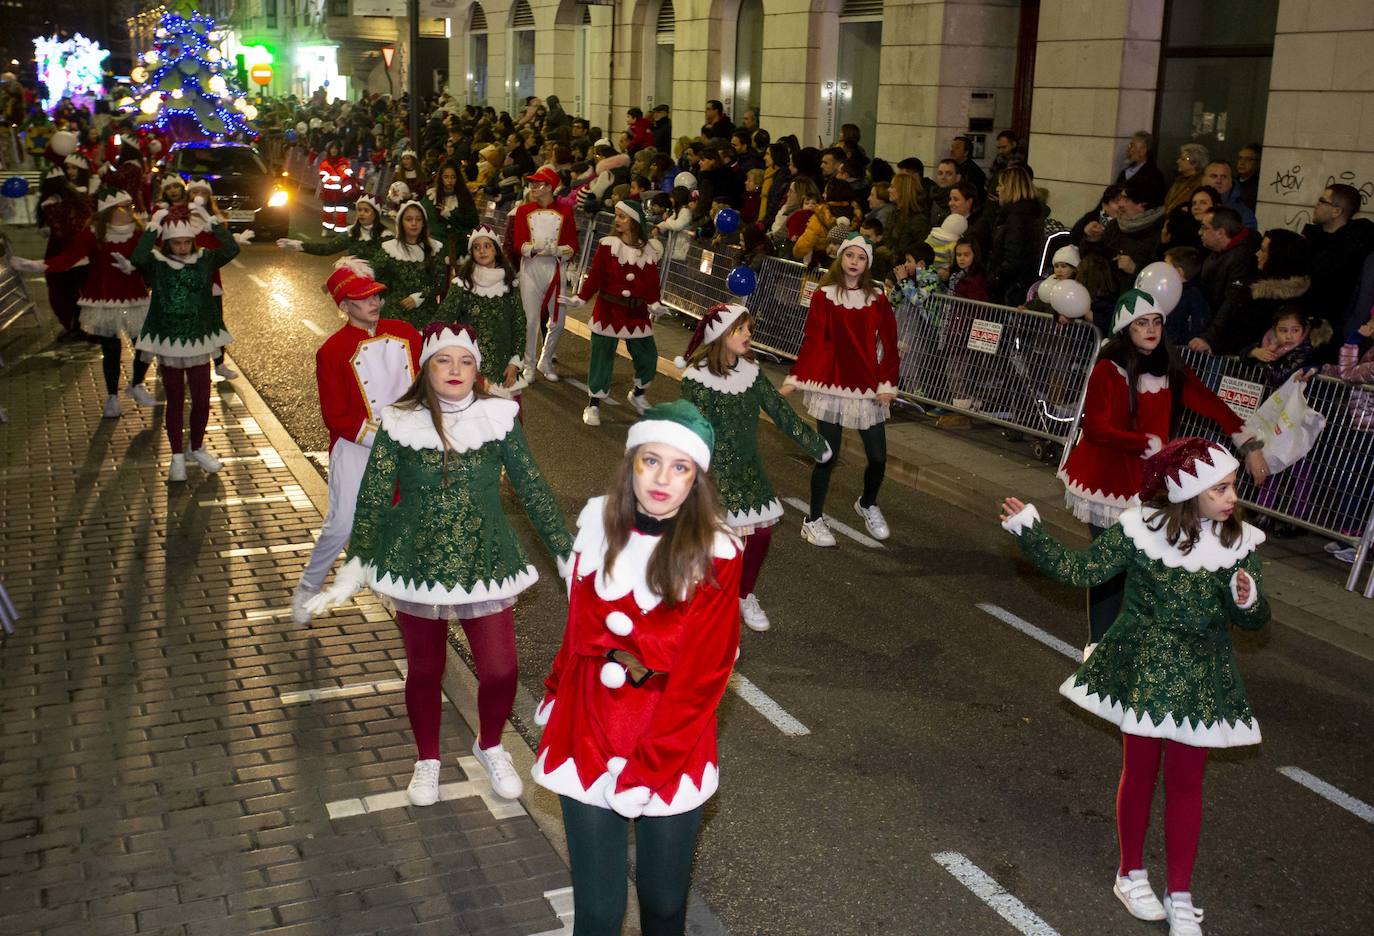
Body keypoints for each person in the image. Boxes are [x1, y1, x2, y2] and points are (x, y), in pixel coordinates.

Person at [1000, 436, 1269, 936]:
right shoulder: (1139, 529)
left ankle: (1180, 893)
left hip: (1201, 679)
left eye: (1233, 486)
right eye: (1221, 488)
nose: (1233, 498)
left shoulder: (1239, 543)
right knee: (1140, 773)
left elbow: (1254, 621)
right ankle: (1130, 874)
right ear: (1188, 492)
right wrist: (1030, 532)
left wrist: (1248, 600)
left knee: (1187, 784)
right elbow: (1082, 571)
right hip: (1144, 672)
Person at [306, 323, 573, 805]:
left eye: (465, 361)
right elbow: (373, 497)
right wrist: (355, 565)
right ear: (426, 368)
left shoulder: (499, 416)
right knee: (425, 669)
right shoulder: (398, 421)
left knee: (501, 670)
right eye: (444, 360)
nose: (455, 370)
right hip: (416, 561)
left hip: (485, 558)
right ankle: (427, 758)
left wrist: (566, 553)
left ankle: (490, 745)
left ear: (476, 369)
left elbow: (532, 487)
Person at [532, 400, 741, 936]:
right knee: (599, 912)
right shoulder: (596, 524)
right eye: (652, 461)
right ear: (632, 462)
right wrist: (555, 691)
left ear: (696, 479)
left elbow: (703, 678)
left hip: (670, 737)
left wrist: (648, 769)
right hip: (586, 726)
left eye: (680, 467)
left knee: (664, 902)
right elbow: (578, 629)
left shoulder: (716, 552)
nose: (662, 479)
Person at [1057, 289, 1266, 653]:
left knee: (1150, 565)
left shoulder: (1169, 366)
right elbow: (1095, 428)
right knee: (1112, 566)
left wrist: (1248, 443)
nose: (1151, 329)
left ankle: (1141, 642)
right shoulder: (1109, 368)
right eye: (1142, 323)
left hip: (1149, 482)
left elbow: (1209, 402)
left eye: (1156, 322)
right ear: (1126, 328)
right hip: (1105, 479)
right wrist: (1143, 442)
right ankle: (1098, 646)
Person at [676, 305, 830, 631]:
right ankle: (705, 609)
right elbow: (690, 426)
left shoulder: (751, 373)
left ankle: (743, 595)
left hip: (748, 469)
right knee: (714, 545)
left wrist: (814, 444)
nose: (749, 334)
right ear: (721, 335)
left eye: (749, 328)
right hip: (711, 472)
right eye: (741, 329)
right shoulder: (696, 378)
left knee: (760, 535)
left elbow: (779, 409)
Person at [291, 259, 421, 623]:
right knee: (343, 524)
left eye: (375, 296)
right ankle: (308, 587)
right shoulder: (332, 350)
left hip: (406, 445)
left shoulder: (406, 333)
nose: (373, 303)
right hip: (356, 447)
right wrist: (383, 437)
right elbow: (335, 417)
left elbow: (429, 379)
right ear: (345, 306)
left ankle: (396, 590)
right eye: (363, 299)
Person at [782, 233, 898, 546]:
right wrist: (797, 376)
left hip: (867, 387)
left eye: (861, 258)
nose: (854, 262)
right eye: (850, 255)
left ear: (867, 263)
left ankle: (867, 503)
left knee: (878, 458)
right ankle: (813, 520)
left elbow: (890, 344)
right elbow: (813, 339)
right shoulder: (824, 295)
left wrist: (887, 383)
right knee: (827, 457)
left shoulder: (877, 297)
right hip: (831, 384)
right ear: (841, 258)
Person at [11, 187, 152, 416]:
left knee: (145, 346)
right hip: (104, 299)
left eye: (131, 206)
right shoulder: (93, 233)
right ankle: (112, 398)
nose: (130, 210)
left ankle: (136, 384)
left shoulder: (139, 232)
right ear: (109, 210)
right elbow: (69, 257)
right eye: (125, 207)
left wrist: (136, 266)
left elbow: (152, 258)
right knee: (111, 349)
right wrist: (38, 265)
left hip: (134, 297)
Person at [131, 204, 240, 483]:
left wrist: (211, 220)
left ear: (193, 240)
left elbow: (232, 249)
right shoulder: (157, 263)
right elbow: (138, 257)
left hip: (200, 339)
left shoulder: (205, 259)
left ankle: (197, 447)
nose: (181, 247)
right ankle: (177, 456)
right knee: (176, 400)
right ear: (168, 243)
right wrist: (153, 225)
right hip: (169, 340)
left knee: (202, 399)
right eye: (176, 242)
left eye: (186, 242)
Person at [566, 200, 667, 426]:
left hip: (637, 314)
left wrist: (655, 304)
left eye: (622, 216)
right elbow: (596, 275)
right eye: (617, 215)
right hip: (608, 310)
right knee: (602, 358)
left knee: (648, 357)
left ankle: (638, 395)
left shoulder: (648, 250)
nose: (617, 220)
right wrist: (581, 297)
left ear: (635, 221)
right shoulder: (608, 245)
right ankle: (593, 405)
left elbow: (652, 283)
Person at [439, 226, 528, 403]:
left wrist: (515, 362)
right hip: (468, 366)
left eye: (487, 246)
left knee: (502, 418)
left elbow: (518, 325)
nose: (482, 251)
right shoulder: (462, 284)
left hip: (503, 367)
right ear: (472, 253)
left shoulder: (510, 285)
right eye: (477, 247)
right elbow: (442, 320)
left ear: (496, 250)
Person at [1190, 228, 1310, 356]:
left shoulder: (1280, 303)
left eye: (1263, 250)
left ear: (1278, 257)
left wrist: (1247, 351)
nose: (1257, 254)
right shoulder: (1255, 285)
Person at [509, 165, 580, 381]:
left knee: (558, 320)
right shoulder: (523, 211)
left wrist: (558, 251)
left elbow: (572, 245)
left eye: (538, 184)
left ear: (550, 187)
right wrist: (534, 248)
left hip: (555, 267)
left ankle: (545, 359)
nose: (532, 187)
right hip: (531, 268)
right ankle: (529, 364)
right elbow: (518, 243)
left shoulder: (566, 211)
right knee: (530, 320)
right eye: (532, 184)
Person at [1302, 183, 1374, 338]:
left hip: (1336, 327)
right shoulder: (1310, 238)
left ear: (1336, 211)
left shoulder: (1356, 243)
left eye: (1322, 201)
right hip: (1299, 322)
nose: (1316, 205)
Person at [1081, 176, 1167, 293]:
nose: (1120, 204)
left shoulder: (1162, 231)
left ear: (1142, 205)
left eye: (1126, 199)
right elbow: (1093, 259)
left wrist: (1135, 269)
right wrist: (1092, 239)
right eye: (1120, 198)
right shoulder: (1115, 225)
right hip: (1105, 296)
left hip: (1136, 297)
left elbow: (1163, 277)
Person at [373, 199, 446, 330]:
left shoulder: (434, 248)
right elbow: (373, 275)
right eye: (408, 219)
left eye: (418, 219)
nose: (414, 223)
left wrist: (420, 297)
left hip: (426, 312)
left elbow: (440, 281)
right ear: (401, 222)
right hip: (395, 312)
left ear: (424, 223)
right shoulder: (390, 249)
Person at [278, 192, 389, 266]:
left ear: (376, 214)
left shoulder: (386, 236)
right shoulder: (352, 232)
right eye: (359, 210)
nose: (361, 213)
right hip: (354, 282)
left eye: (366, 210)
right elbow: (327, 249)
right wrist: (299, 245)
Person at [987, 165, 1044, 306]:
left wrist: (995, 277)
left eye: (1001, 185)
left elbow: (1013, 257)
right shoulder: (1029, 214)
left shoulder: (1015, 218)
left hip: (1009, 289)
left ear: (1010, 188)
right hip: (1018, 285)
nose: (997, 189)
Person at [422, 162, 480, 261]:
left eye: (453, 177)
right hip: (435, 245)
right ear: (441, 178)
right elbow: (430, 222)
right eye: (446, 177)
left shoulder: (464, 198)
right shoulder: (431, 197)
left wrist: (450, 215)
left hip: (459, 247)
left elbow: (473, 222)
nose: (450, 181)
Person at [1113, 132, 1166, 209]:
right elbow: (1110, 197)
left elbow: (1153, 205)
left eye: (1132, 146)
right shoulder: (1124, 173)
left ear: (1144, 150)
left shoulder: (1154, 176)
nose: (1128, 150)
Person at [1200, 161, 1256, 230]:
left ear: (1231, 182)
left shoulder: (1244, 215)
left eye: (1224, 177)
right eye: (1214, 176)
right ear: (1203, 180)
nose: (1218, 181)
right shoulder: (1193, 207)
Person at [318, 139, 356, 233]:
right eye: (332, 148)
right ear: (329, 150)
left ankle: (340, 230)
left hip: (341, 192)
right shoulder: (325, 163)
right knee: (328, 211)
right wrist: (335, 181)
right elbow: (323, 176)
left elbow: (348, 173)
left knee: (341, 211)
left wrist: (341, 180)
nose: (334, 150)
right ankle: (327, 228)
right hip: (329, 192)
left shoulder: (344, 162)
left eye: (336, 148)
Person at [1162, 143, 1208, 217]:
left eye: (1183, 159)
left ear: (1195, 163)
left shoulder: (1201, 183)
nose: (1178, 161)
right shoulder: (1179, 181)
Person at [1235, 143, 1260, 212]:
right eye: (1240, 158)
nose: (1242, 163)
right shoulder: (1231, 183)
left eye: (1248, 159)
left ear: (1258, 163)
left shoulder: (1259, 186)